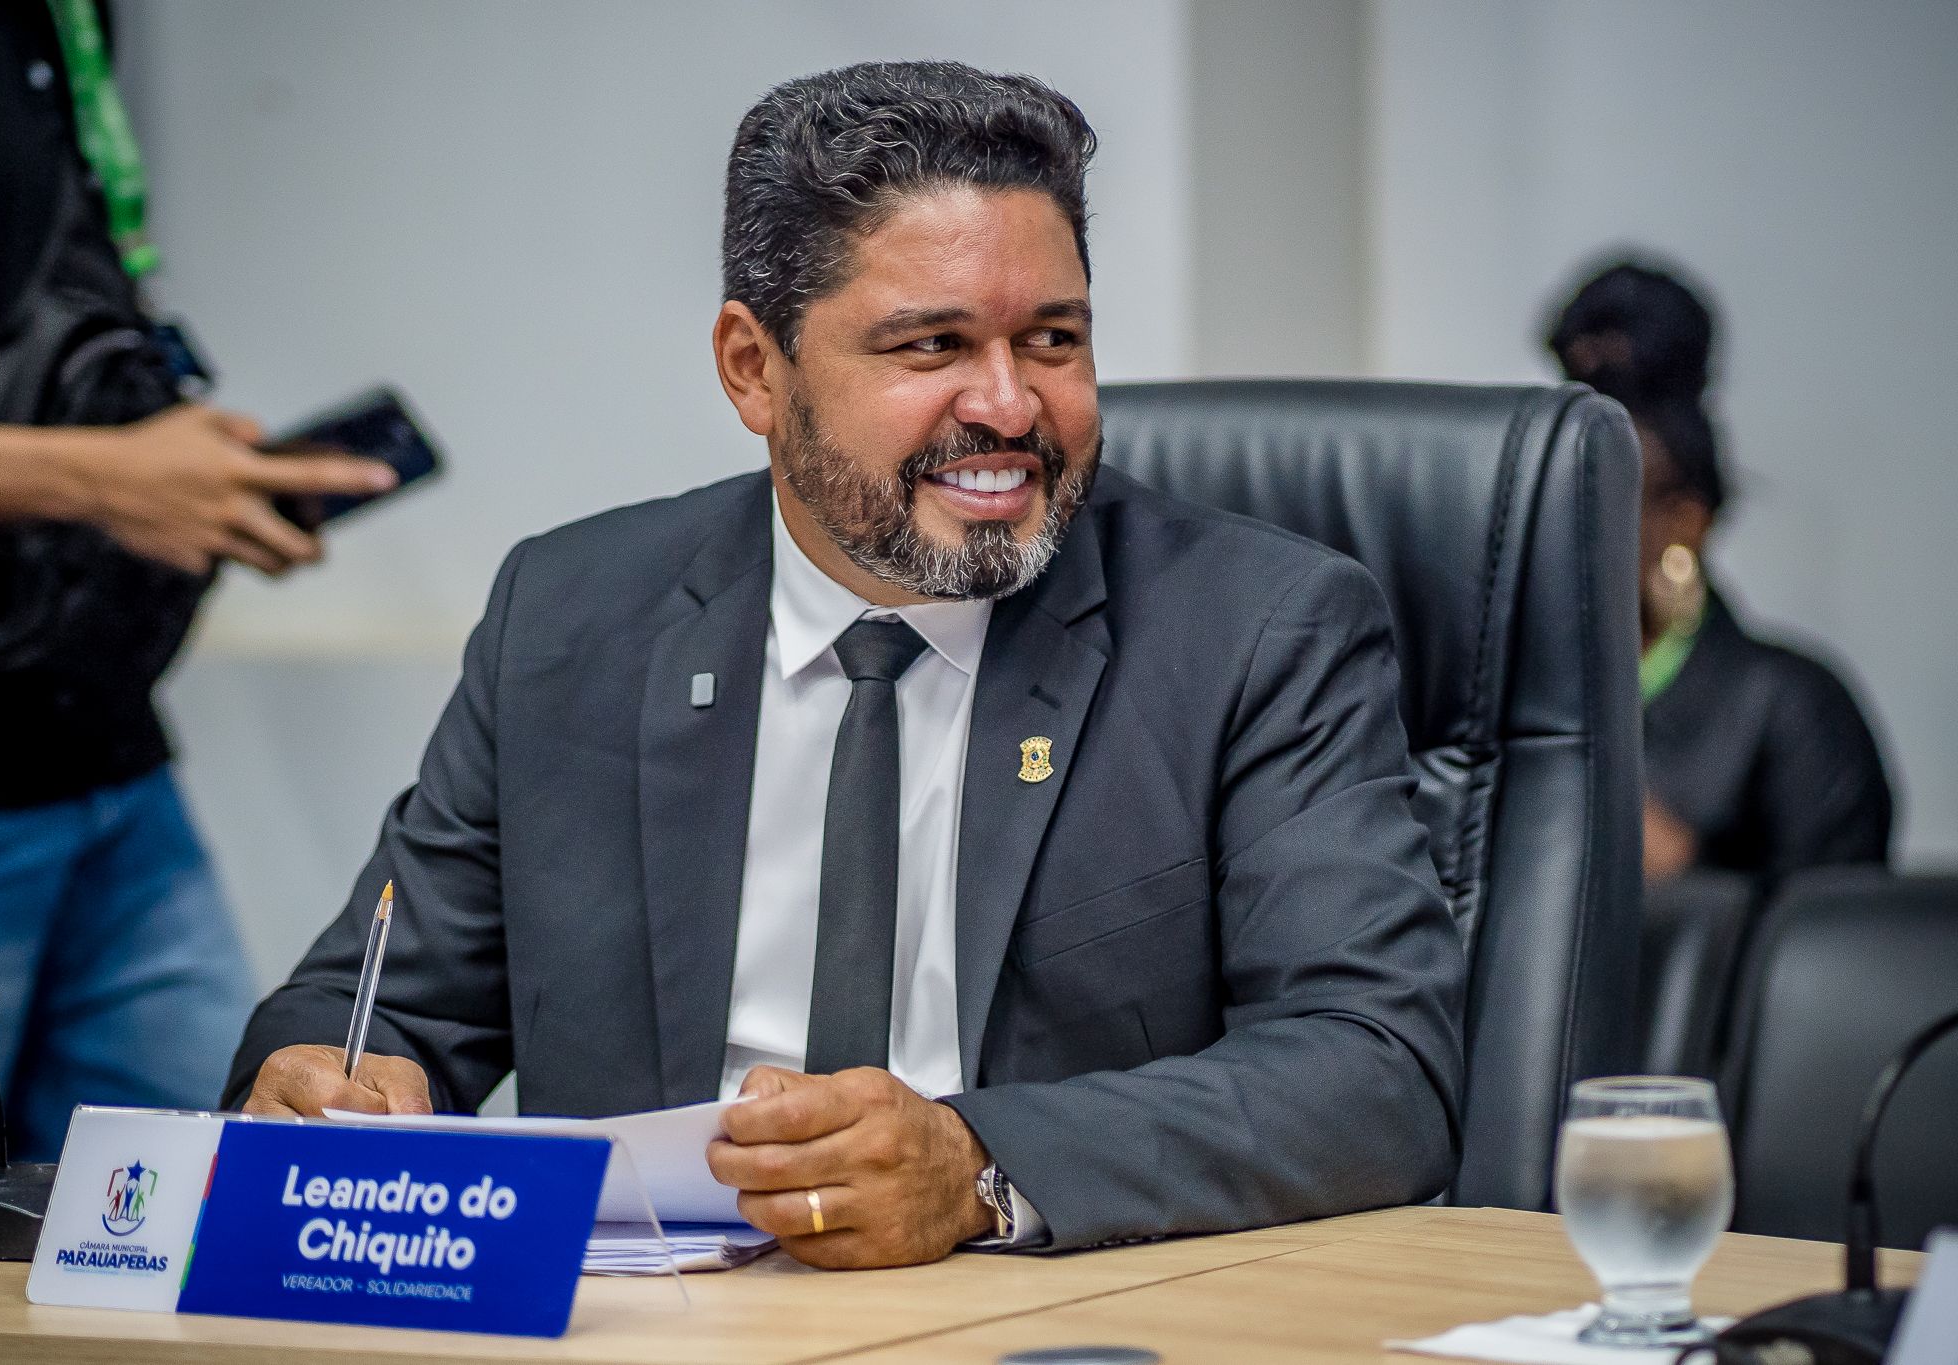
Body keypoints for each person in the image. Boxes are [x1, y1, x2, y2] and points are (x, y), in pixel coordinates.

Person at [229, 61, 1464, 1268]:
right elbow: (375, 1006)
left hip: (1034, 1320)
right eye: (930, 346)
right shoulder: (570, 619)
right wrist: (319, 1079)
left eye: (1051, 338)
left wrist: (975, 1167)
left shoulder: (1254, 630)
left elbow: (1375, 1070)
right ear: (752, 369)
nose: (1008, 406)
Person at [0, 0, 393, 1162]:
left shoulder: (66, 21)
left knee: (214, 1207)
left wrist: (166, 474)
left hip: (112, 763)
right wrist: (101, 479)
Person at [1547, 261, 1893, 886]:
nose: (1560, 522)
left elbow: (1839, 939)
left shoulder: (1792, 712)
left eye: (1596, 497)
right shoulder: (1501, 699)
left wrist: (1683, 871)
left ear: (1684, 521)